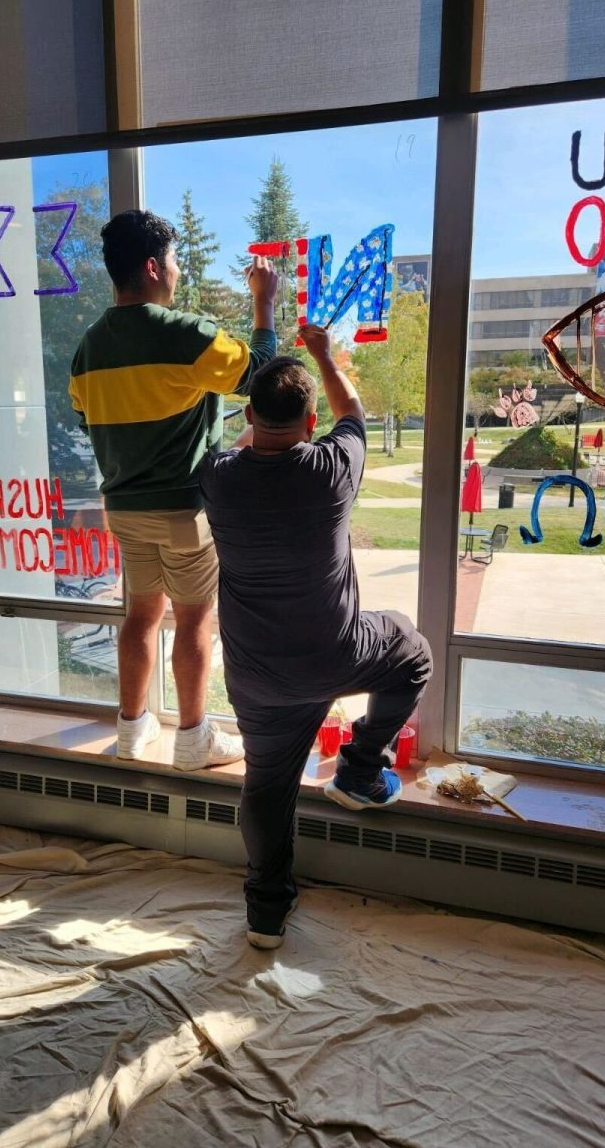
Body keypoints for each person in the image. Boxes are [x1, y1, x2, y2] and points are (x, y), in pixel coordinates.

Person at [200, 325, 432, 948]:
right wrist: (326, 355)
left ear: (248, 414)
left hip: (255, 674)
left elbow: (247, 444)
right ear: (309, 423)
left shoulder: (217, 478)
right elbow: (351, 411)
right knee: (411, 651)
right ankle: (359, 770)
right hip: (336, 655)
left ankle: (265, 916)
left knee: (267, 787)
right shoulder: (333, 468)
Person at [69, 209, 278, 769]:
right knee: (192, 619)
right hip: (184, 512)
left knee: (139, 617)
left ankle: (133, 733)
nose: (178, 271)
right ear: (153, 266)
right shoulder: (184, 335)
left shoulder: (89, 348)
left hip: (125, 510)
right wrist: (264, 302)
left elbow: (86, 420)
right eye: (175, 260)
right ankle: (191, 739)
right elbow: (260, 374)